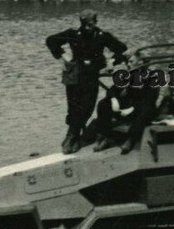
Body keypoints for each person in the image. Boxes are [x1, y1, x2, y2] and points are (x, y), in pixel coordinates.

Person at [45, 9, 129, 154]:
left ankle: (72, 136)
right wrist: (64, 56)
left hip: (91, 74)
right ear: (82, 24)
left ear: (96, 22)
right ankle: (73, 136)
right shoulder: (73, 34)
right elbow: (51, 41)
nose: (90, 27)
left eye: (92, 24)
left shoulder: (102, 35)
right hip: (76, 74)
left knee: (87, 106)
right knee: (73, 106)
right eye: (87, 25)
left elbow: (121, 48)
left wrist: (112, 61)